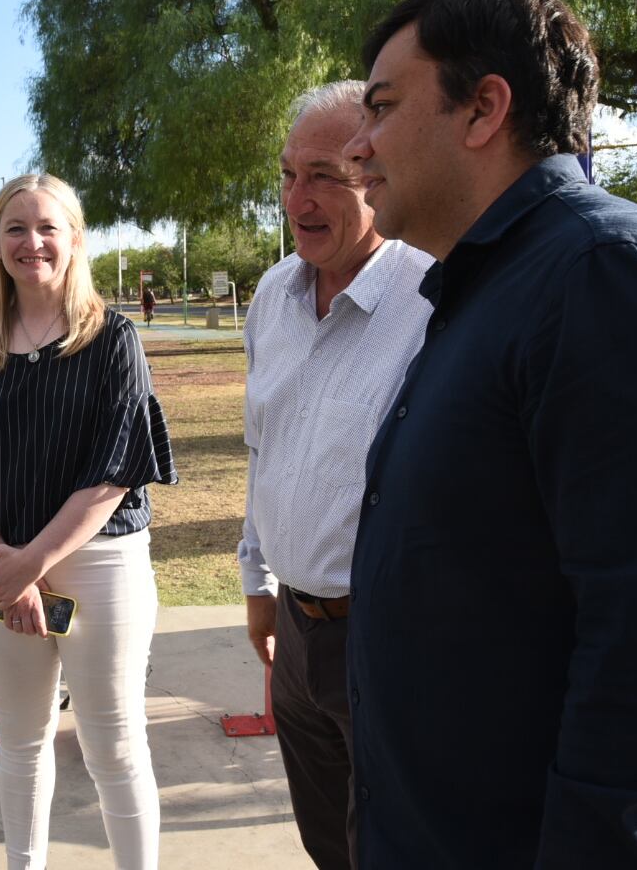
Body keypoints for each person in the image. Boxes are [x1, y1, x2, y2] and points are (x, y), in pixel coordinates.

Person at [342, 0, 637, 867]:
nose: (358, 146)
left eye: (381, 107)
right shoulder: (489, 287)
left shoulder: (610, 277)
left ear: (484, 108)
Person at [0, 174, 175, 869]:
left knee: (114, 744)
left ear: (73, 240)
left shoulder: (113, 339)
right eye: (14, 227)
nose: (30, 242)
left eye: (47, 227)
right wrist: (4, 570)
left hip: (98, 568)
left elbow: (114, 473)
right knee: (21, 741)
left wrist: (30, 565)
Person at [236, 81, 433, 868]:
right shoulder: (272, 298)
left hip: (394, 636)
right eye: (287, 175)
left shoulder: (430, 296)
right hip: (295, 628)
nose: (298, 199)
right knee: (328, 845)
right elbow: (265, 451)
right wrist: (259, 586)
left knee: (400, 845)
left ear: (376, 172)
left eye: (324, 175)